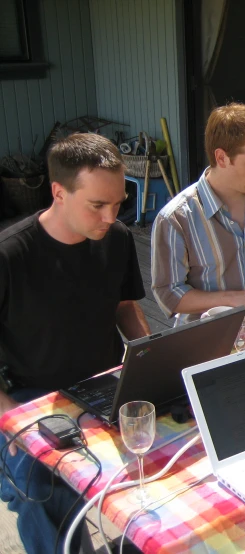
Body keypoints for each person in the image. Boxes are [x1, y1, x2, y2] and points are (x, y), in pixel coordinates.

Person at [0, 133, 150, 553]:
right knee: (43, 486)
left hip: (105, 379)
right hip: (33, 395)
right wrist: (14, 422)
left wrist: (154, 353)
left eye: (118, 203)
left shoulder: (117, 239)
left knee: (176, 443)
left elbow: (124, 305)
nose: (111, 215)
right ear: (58, 192)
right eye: (97, 205)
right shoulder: (10, 256)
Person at [151, 103, 245, 320]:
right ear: (221, 158)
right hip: (207, 338)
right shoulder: (176, 218)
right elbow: (169, 295)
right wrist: (236, 298)